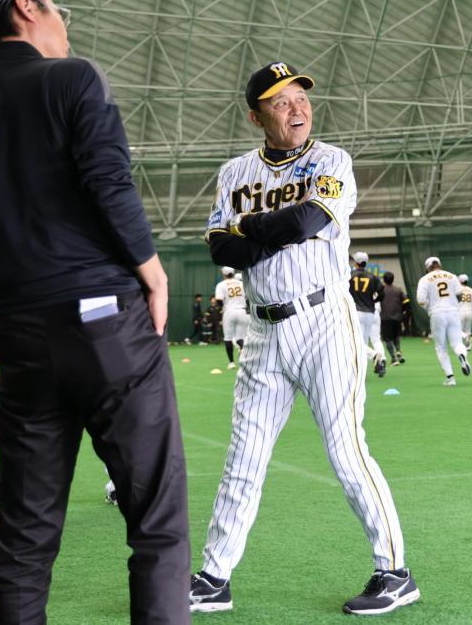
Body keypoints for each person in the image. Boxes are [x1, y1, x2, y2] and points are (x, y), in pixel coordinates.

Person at [0, 0, 190, 623]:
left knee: (25, 536)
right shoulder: (74, 77)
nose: (63, 22)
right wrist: (153, 272)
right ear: (25, 8)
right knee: (156, 522)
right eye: (57, 8)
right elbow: (108, 178)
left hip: (20, 337)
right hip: (109, 325)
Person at [191, 61, 418, 615]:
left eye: (300, 97)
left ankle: (394, 572)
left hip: (324, 323)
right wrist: (261, 230)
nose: (296, 107)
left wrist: (251, 229)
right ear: (256, 115)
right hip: (264, 332)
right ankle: (214, 577)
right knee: (243, 457)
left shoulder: (331, 160)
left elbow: (308, 222)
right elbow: (221, 250)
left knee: (345, 451)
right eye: (280, 101)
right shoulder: (233, 173)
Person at [416, 257, 471, 385]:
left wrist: (428, 308)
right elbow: (460, 294)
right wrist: (453, 304)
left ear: (427, 267)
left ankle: (450, 377)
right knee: (457, 342)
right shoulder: (452, 276)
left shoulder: (424, 279)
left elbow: (421, 300)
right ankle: (463, 357)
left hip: (436, 313)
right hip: (453, 312)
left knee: (441, 347)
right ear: (439, 264)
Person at [349, 251, 387, 377]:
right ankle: (361, 373)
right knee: (362, 342)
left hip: (355, 312)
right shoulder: (373, 276)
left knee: (354, 342)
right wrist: (374, 300)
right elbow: (382, 293)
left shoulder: (349, 275)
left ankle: (374, 354)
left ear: (356, 262)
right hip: (370, 313)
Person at [214, 266, 249, 367]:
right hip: (242, 311)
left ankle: (231, 362)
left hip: (229, 311)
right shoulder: (242, 283)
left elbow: (219, 300)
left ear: (224, 274)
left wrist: (223, 307)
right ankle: (243, 354)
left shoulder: (221, 284)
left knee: (228, 338)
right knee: (240, 338)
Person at [380, 272, 409, 365]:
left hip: (385, 317)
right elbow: (406, 301)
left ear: (384, 279)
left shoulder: (381, 290)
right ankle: (398, 351)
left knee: (388, 339)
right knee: (396, 336)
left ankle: (394, 359)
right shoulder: (398, 290)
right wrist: (402, 311)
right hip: (397, 317)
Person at [457, 273, 472, 349]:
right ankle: (469, 347)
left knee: (458, 330)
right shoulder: (471, 290)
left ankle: (461, 344)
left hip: (460, 311)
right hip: (470, 311)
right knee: (468, 330)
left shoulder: (458, 289)